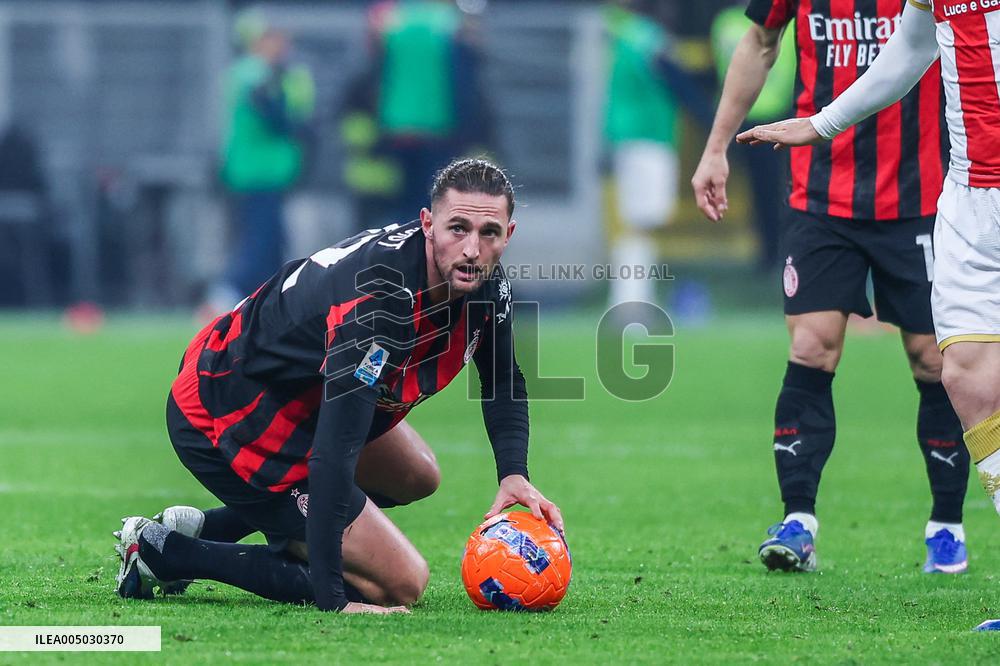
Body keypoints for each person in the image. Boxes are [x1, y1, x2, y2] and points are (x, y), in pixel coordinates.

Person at [113, 159, 563, 614]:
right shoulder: (381, 304)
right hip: (231, 410)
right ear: (427, 224)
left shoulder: (485, 285)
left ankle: (213, 528)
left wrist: (514, 475)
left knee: (418, 474)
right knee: (402, 582)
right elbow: (334, 451)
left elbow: (503, 379)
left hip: (301, 402)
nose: (472, 248)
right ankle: (163, 553)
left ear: (509, 234)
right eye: (458, 228)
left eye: (489, 232)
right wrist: (334, 601)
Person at [692, 0, 970, 574]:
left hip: (919, 199)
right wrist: (716, 146)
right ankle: (799, 522)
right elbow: (759, 43)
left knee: (931, 361)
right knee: (811, 345)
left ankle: (947, 527)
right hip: (819, 196)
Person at [211, 12, 315, 311]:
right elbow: (276, 120)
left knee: (270, 243)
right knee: (259, 242)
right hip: (258, 173)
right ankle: (223, 296)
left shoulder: (250, 73)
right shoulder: (256, 75)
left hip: (261, 173)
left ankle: (255, 306)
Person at [709, 1, 796, 271]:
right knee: (766, 191)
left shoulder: (727, 22)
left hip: (780, 119)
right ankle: (770, 253)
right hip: (752, 120)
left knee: (779, 189)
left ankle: (778, 252)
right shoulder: (726, 22)